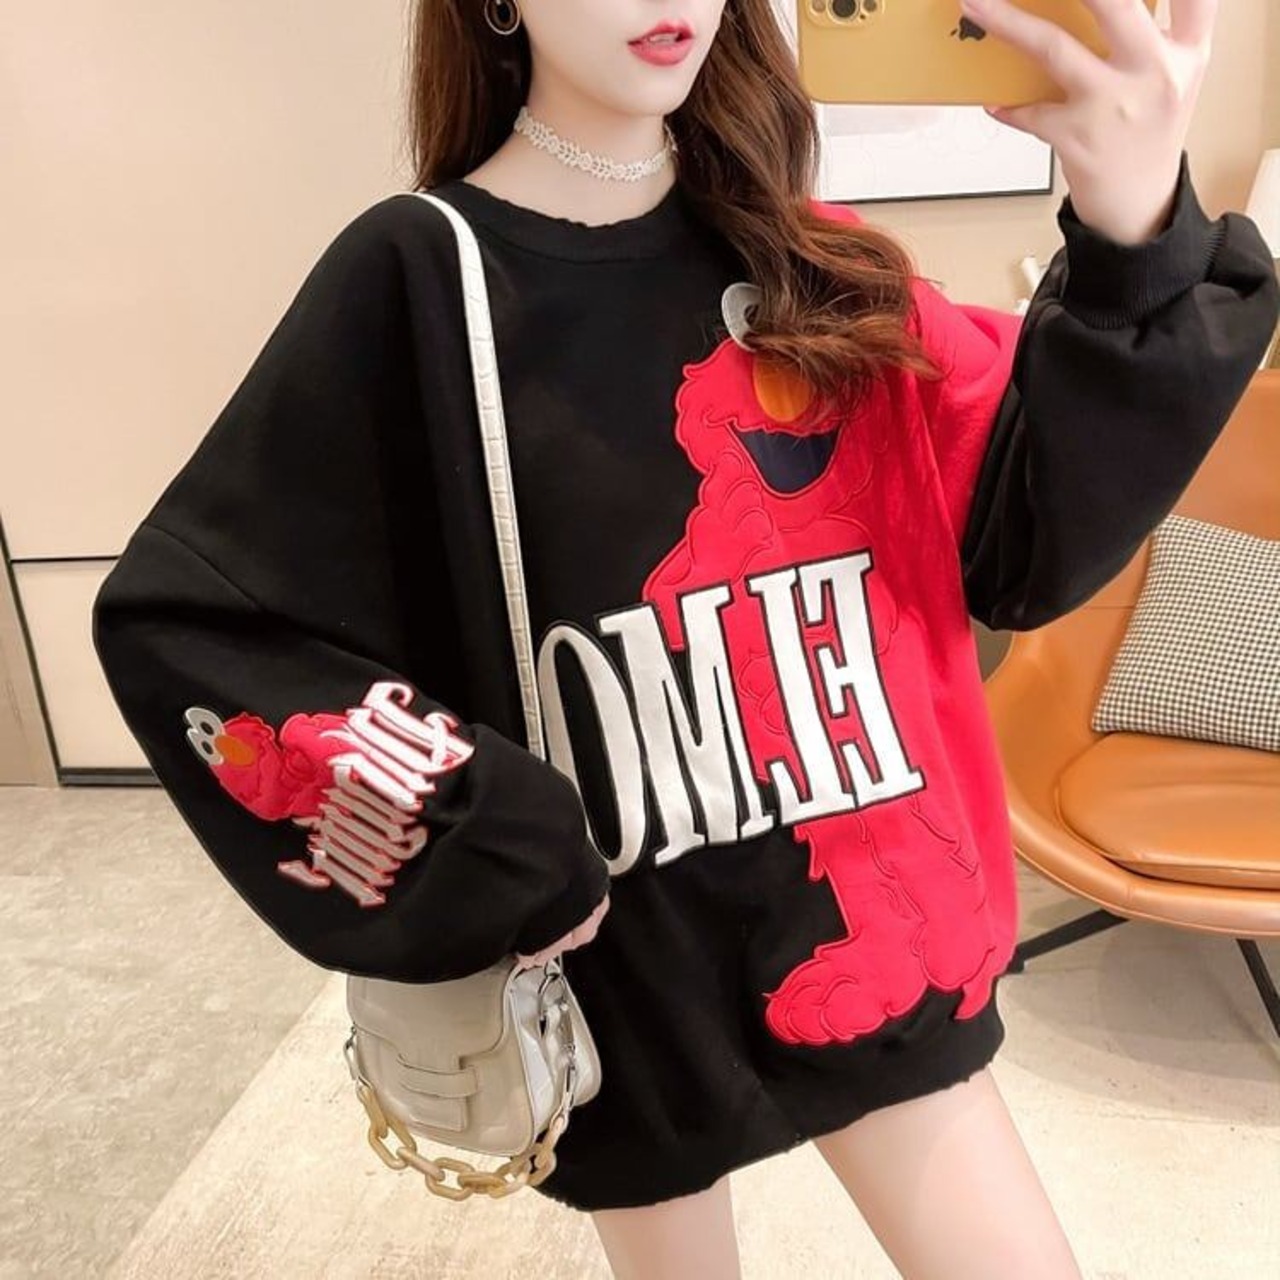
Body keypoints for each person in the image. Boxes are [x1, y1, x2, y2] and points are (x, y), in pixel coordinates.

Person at [92, 0, 1276, 1276]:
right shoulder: (424, 277)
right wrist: (479, 825)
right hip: (623, 964)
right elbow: (201, 621)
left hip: (877, 915)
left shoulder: (816, 263)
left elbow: (1020, 540)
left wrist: (1130, 228)